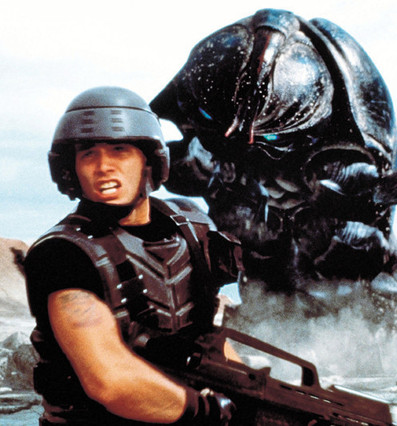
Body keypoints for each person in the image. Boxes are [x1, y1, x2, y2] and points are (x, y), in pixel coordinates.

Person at [24, 86, 242, 425]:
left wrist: (259, 395)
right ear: (71, 169)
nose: (103, 166)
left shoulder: (192, 230)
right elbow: (109, 381)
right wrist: (209, 410)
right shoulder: (63, 254)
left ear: (148, 161)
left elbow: (209, 340)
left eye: (119, 150)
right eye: (88, 154)